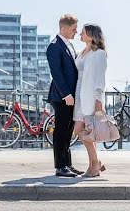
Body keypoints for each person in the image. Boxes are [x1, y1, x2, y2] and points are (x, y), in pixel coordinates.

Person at [46, 14, 81, 178]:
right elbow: (57, 73)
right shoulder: (54, 46)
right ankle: (60, 166)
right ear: (64, 29)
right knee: (61, 131)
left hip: (70, 96)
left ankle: (67, 164)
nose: (76, 32)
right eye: (74, 29)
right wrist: (66, 94)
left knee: (68, 131)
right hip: (62, 96)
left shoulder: (68, 45)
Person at [72, 23, 108, 178]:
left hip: (90, 97)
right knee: (84, 132)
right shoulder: (81, 53)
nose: (80, 33)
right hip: (79, 94)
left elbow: (100, 78)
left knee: (83, 131)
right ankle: (95, 164)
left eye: (83, 32)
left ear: (91, 35)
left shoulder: (99, 54)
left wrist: (98, 100)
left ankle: (94, 165)